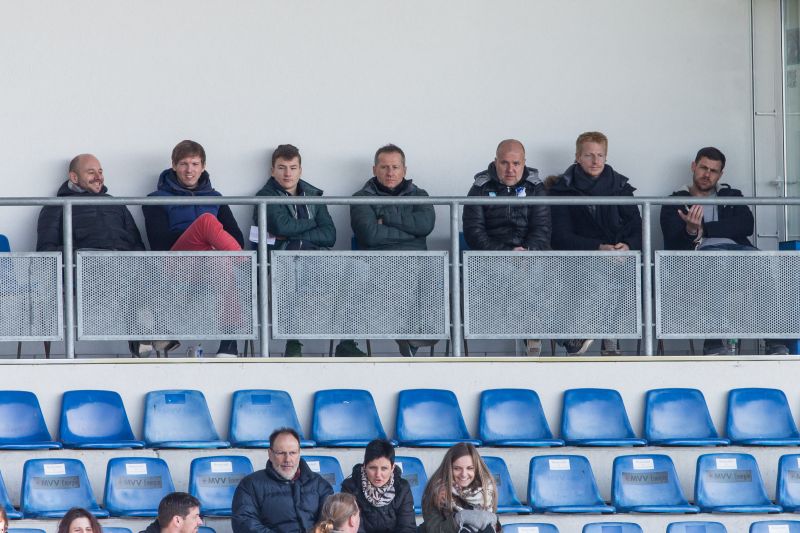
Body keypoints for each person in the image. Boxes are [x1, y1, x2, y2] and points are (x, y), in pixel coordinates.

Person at [659, 146, 790, 355]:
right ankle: (713, 344)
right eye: (703, 168)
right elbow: (672, 239)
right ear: (694, 167)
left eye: (713, 171)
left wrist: (705, 228)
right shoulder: (675, 201)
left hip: (738, 255)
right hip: (698, 263)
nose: (707, 174)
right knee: (715, 263)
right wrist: (691, 231)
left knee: (764, 263)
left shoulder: (731, 195)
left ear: (720, 174)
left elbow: (746, 224)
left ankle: (775, 342)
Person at [36, 153, 148, 356]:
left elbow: (136, 242)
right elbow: (46, 251)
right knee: (131, 278)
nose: (98, 177)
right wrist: (81, 257)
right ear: (74, 177)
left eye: (100, 171)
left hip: (123, 265)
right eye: (91, 172)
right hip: (86, 268)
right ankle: (147, 335)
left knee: (152, 272)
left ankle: (147, 336)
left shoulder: (116, 203)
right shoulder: (56, 206)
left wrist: (138, 261)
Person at [143, 140, 244, 357]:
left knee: (222, 260)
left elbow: (237, 238)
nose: (190, 170)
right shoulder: (156, 200)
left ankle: (229, 342)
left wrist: (207, 247)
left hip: (209, 265)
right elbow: (159, 242)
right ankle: (245, 263)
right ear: (174, 165)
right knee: (206, 222)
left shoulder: (216, 198)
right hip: (176, 262)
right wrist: (199, 235)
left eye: (195, 164)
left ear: (203, 166)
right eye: (184, 164)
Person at [548, 131, 642, 355]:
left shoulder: (621, 187)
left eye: (600, 155)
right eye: (589, 155)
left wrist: (626, 246)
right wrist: (598, 249)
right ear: (578, 157)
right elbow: (559, 237)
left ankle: (609, 342)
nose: (595, 161)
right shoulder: (562, 191)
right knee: (598, 273)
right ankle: (577, 336)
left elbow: (637, 227)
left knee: (629, 277)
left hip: (619, 259)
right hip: (577, 259)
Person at [462, 139, 551, 356]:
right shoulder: (480, 188)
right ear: (495, 161)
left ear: (524, 163)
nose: (510, 169)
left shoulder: (536, 188)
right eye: (504, 163)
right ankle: (530, 329)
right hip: (492, 257)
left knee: (546, 272)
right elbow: (474, 232)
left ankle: (533, 332)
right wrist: (505, 253)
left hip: (530, 256)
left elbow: (543, 227)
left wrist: (527, 251)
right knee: (511, 273)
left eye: (516, 163)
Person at [350, 144, 436, 356]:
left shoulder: (420, 195)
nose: (390, 172)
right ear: (374, 169)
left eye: (395, 167)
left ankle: (413, 335)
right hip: (377, 264)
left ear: (404, 170)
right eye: (384, 167)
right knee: (400, 274)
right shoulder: (361, 198)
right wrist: (411, 232)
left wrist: (386, 219)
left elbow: (425, 226)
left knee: (433, 274)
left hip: (415, 264)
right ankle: (409, 336)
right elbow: (369, 235)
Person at [251, 144, 336, 357]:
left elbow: (330, 235)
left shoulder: (313, 195)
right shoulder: (265, 196)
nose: (287, 173)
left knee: (354, 271)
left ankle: (347, 340)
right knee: (286, 271)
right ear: (272, 170)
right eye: (281, 167)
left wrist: (294, 231)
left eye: (293, 167)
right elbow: (282, 227)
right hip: (279, 261)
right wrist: (312, 223)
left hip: (315, 259)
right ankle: (293, 341)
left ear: (300, 170)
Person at [232, 428, 334, 533]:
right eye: (281, 453)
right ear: (270, 454)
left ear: (299, 453)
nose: (287, 459)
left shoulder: (319, 484)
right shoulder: (250, 485)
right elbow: (244, 523)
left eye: (293, 453)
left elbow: (331, 519)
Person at [340, 439, 416, 533]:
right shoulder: (350, 487)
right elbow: (351, 527)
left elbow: (407, 527)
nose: (378, 474)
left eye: (384, 468)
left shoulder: (402, 488)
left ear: (392, 468)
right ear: (364, 466)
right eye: (372, 468)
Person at [421, 443, 498, 533]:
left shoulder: (486, 489)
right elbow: (434, 530)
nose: (464, 474)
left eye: (470, 468)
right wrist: (460, 518)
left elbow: (492, 526)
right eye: (457, 468)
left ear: (476, 469)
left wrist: (494, 520)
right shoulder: (436, 490)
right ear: (449, 468)